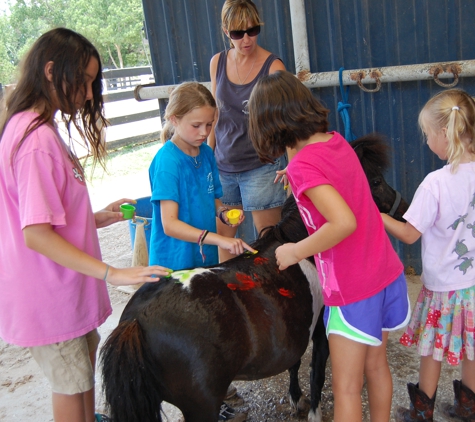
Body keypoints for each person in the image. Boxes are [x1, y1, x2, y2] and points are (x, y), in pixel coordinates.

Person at [0, 28, 171, 422]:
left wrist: (94, 218)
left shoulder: (36, 127)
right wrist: (112, 272)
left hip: (61, 289)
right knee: (72, 388)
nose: (90, 93)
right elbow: (36, 233)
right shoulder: (35, 139)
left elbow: (44, 215)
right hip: (50, 293)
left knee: (80, 385)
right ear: (50, 71)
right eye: (85, 80)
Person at [247, 70, 410, 422]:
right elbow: (335, 179)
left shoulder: (304, 166)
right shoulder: (335, 141)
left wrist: (296, 250)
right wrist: (294, 171)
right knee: (376, 367)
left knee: (348, 389)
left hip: (354, 286)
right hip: (383, 271)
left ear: (269, 124)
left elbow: (343, 222)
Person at [381, 88, 475, 422]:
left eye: (426, 134)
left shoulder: (435, 183)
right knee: (471, 346)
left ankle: (423, 412)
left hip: (443, 288)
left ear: (443, 134)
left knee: (433, 348)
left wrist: (378, 216)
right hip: (474, 286)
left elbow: (409, 233)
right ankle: (468, 407)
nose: (426, 141)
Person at [209, 0, 289, 262]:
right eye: (237, 33)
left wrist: (294, 164)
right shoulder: (218, 62)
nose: (246, 39)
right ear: (225, 31)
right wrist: (206, 157)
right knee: (224, 243)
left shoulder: (273, 67)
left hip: (261, 166)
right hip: (224, 165)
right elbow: (215, 113)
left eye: (252, 30)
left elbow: (286, 122)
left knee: (267, 243)